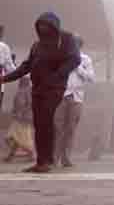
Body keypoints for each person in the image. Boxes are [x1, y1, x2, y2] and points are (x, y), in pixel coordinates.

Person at [0, 12, 82, 174]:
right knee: (39, 124)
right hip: (37, 88)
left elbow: (74, 59)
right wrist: (5, 79)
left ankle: (48, 160)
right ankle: (41, 161)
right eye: (40, 25)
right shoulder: (37, 45)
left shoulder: (66, 39)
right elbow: (26, 66)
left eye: (46, 25)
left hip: (54, 88)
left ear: (54, 25)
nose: (43, 28)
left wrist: (58, 75)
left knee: (46, 120)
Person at [54, 38, 93, 168]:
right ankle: (54, 157)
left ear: (79, 46)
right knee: (57, 127)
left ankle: (66, 158)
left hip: (77, 98)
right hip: (61, 96)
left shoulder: (85, 60)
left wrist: (77, 66)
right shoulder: (59, 57)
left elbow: (90, 78)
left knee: (71, 128)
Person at [4, 77, 35, 162]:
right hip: (25, 118)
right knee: (17, 137)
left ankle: (31, 154)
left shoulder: (23, 92)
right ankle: (11, 156)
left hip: (21, 119)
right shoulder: (30, 91)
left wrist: (16, 112)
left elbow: (21, 104)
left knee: (17, 137)